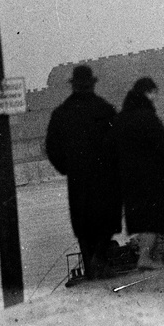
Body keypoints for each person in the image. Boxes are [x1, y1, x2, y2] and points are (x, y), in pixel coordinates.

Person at [44, 65, 121, 280]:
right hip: (104, 178)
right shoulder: (105, 109)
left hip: (78, 179)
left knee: (84, 226)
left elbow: (51, 148)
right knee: (106, 220)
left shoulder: (61, 114)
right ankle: (101, 261)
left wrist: (66, 168)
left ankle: (90, 268)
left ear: (73, 86)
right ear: (93, 83)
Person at [115, 76, 164, 270]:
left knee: (144, 219)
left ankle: (149, 258)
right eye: (154, 94)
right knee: (155, 217)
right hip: (149, 176)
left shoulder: (121, 118)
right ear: (147, 93)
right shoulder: (147, 117)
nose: (156, 98)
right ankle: (145, 258)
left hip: (127, 178)